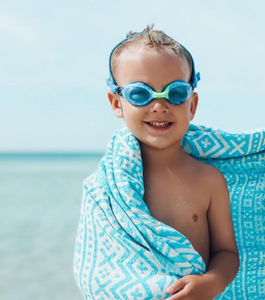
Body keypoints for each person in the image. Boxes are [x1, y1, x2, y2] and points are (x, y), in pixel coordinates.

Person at [73, 25, 239, 300]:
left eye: (175, 94)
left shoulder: (208, 180)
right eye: (141, 94)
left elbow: (226, 253)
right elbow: (95, 271)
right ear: (116, 103)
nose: (160, 106)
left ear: (192, 105)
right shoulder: (104, 188)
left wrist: (212, 282)